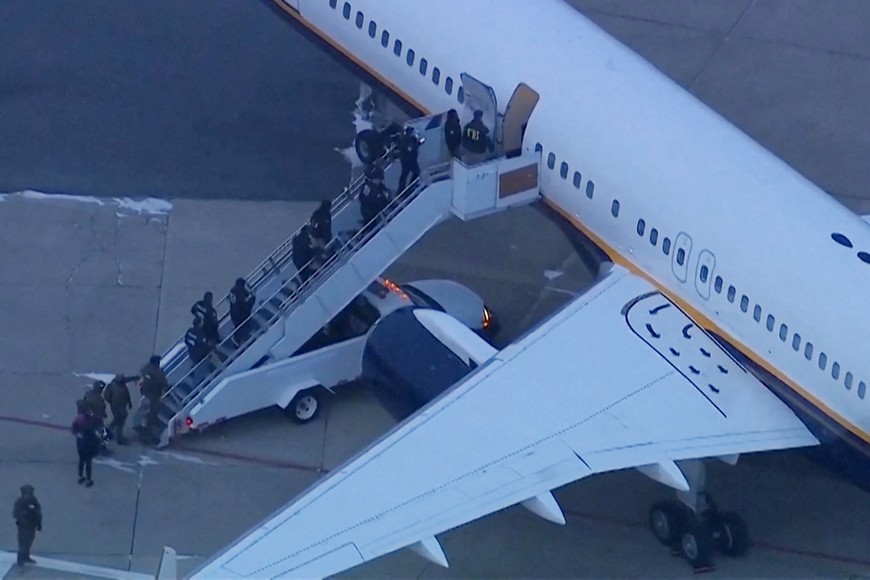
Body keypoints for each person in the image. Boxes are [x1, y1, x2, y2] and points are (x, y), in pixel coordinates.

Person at [139, 355, 169, 445]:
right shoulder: (158, 373)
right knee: (151, 415)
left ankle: (144, 429)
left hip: (145, 393)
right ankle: (146, 436)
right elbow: (165, 385)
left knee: (145, 412)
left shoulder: (145, 368)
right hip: (154, 396)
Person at [72, 400, 100, 487]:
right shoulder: (93, 420)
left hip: (81, 444)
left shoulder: (78, 419)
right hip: (90, 445)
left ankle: (80, 476)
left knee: (81, 460)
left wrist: (77, 434)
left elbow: (74, 429)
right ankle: (88, 479)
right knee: (88, 463)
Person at [12, 484, 42, 568]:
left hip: (32, 525)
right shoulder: (19, 501)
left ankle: (26, 557)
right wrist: (24, 516)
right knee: (23, 543)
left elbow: (38, 511)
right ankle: (20, 559)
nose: (28, 495)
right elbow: (15, 514)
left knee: (29, 542)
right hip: (23, 527)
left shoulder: (33, 500)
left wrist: (39, 524)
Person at [103, 374, 135, 445]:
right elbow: (106, 396)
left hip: (122, 406)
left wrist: (129, 403)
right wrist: (112, 402)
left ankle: (108, 429)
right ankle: (119, 438)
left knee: (118, 420)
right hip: (116, 407)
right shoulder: (112, 387)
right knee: (120, 422)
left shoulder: (120, 384)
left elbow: (127, 394)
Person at [229, 278, 255, 345]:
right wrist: (251, 299)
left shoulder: (232, 291)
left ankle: (237, 338)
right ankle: (239, 340)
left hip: (233, 313)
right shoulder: (241, 291)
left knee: (238, 326)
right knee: (245, 326)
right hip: (241, 314)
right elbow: (245, 304)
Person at [397, 126, 421, 192]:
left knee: (405, 174)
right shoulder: (411, 139)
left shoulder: (403, 138)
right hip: (410, 159)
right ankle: (410, 187)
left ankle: (403, 188)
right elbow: (411, 148)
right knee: (415, 172)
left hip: (405, 159)